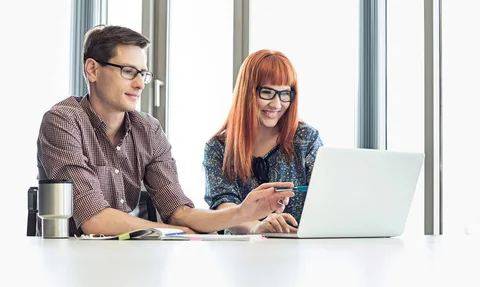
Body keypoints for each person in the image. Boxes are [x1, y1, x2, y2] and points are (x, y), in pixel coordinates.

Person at [37, 25, 294, 237]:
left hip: (123, 261)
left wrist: (242, 212)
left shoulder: (148, 129)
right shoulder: (63, 122)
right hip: (69, 262)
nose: (139, 84)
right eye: (128, 72)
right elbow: (94, 220)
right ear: (92, 69)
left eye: (142, 74)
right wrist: (177, 232)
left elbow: (180, 211)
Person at [204, 49, 323, 234]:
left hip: (299, 250)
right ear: (247, 92)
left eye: (285, 94)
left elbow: (324, 198)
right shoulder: (218, 147)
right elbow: (224, 206)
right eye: (267, 92)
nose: (276, 104)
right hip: (240, 253)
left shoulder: (306, 139)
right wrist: (257, 228)